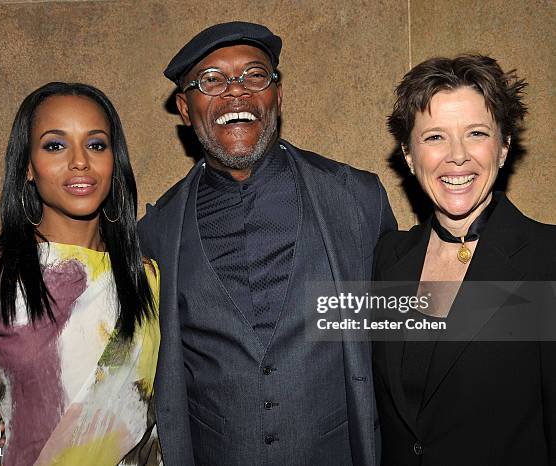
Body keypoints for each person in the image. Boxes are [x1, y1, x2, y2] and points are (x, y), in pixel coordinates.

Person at [138, 21, 396, 465]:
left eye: (254, 75)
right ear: (185, 107)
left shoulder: (357, 199)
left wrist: (520, 310)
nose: (236, 92)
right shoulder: (155, 235)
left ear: (277, 94)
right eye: (212, 80)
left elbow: (407, 334)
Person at [0, 82, 161, 466]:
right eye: (55, 145)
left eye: (96, 145)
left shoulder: (146, 278)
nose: (80, 161)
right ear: (28, 165)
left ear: (114, 161)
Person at [372, 55, 556, 465]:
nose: (457, 156)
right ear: (407, 154)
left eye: (476, 133)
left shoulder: (547, 260)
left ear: (504, 146)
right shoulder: (387, 259)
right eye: (434, 137)